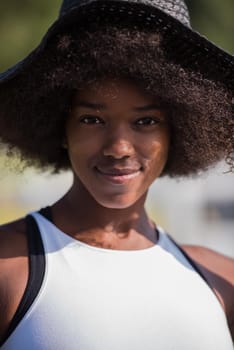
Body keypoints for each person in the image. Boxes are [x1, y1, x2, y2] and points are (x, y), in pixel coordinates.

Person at [0, 0, 233, 349]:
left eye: (146, 121)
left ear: (178, 131)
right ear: (61, 127)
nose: (119, 147)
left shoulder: (221, 282)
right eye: (92, 119)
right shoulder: (9, 267)